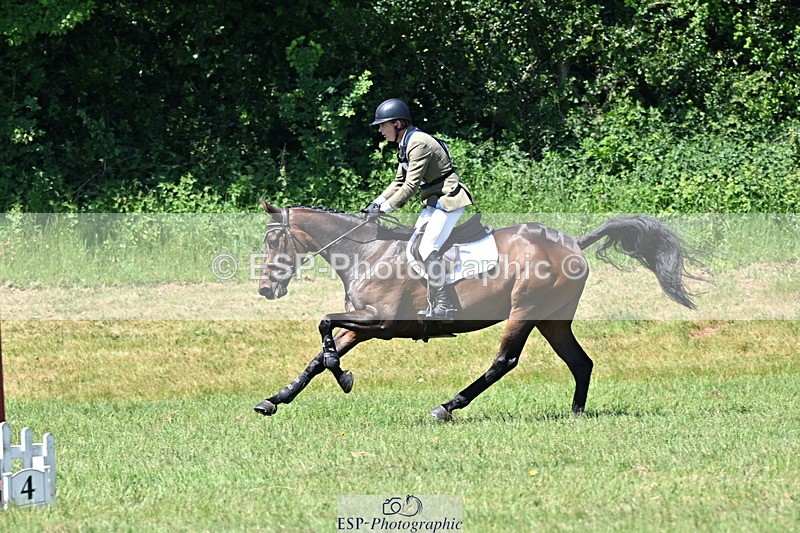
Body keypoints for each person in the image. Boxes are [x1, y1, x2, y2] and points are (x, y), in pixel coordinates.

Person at [362, 98, 474, 321]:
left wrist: (385, 209)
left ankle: (445, 305)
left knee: (426, 247)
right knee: (413, 245)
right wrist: (375, 203)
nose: (380, 130)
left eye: (383, 125)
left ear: (397, 124)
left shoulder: (418, 143)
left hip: (449, 199)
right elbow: (398, 181)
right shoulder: (405, 144)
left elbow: (410, 186)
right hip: (434, 201)